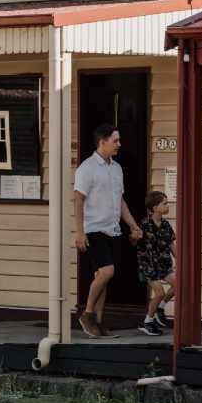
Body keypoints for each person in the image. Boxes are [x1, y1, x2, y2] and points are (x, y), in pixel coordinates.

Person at [74, 123, 143, 338]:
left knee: (102, 276)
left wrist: (133, 225)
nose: (119, 144)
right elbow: (78, 200)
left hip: (112, 229)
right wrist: (79, 232)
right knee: (107, 271)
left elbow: (120, 201)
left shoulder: (116, 168)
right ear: (102, 142)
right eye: (115, 140)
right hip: (94, 228)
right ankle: (87, 314)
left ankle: (98, 323)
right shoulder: (87, 168)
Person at [136, 190, 176, 336]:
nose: (168, 205)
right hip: (149, 265)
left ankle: (160, 309)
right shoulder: (144, 224)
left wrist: (180, 260)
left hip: (164, 264)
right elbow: (136, 241)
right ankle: (147, 321)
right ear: (154, 208)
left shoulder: (166, 225)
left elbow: (172, 246)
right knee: (159, 292)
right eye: (164, 203)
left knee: (179, 284)